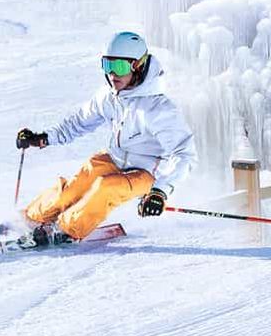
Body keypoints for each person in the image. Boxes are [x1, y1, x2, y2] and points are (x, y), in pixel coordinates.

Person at [17, 31, 197, 246]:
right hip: (115, 158)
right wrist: (43, 138)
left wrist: (160, 191)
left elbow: (184, 154)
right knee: (77, 185)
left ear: (137, 66)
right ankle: (30, 218)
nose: (112, 74)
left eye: (119, 67)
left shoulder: (157, 109)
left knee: (105, 187)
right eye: (107, 65)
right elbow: (79, 123)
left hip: (147, 172)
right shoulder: (109, 96)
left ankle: (65, 229)